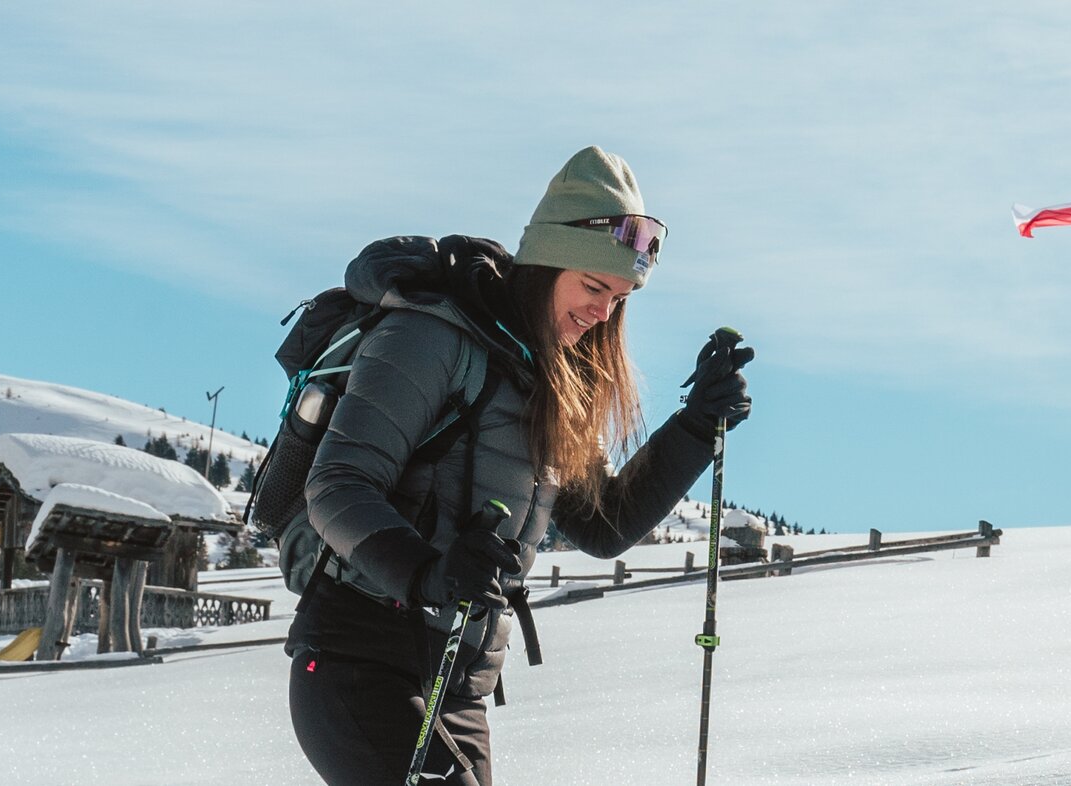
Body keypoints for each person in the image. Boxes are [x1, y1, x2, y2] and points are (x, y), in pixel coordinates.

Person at [284, 146, 754, 785]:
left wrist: (696, 425)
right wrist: (428, 573)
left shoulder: (555, 382)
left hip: (459, 685)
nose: (603, 312)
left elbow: (604, 524)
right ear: (545, 262)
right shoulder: (430, 337)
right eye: (593, 287)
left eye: (619, 297)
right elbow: (337, 485)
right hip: (361, 661)